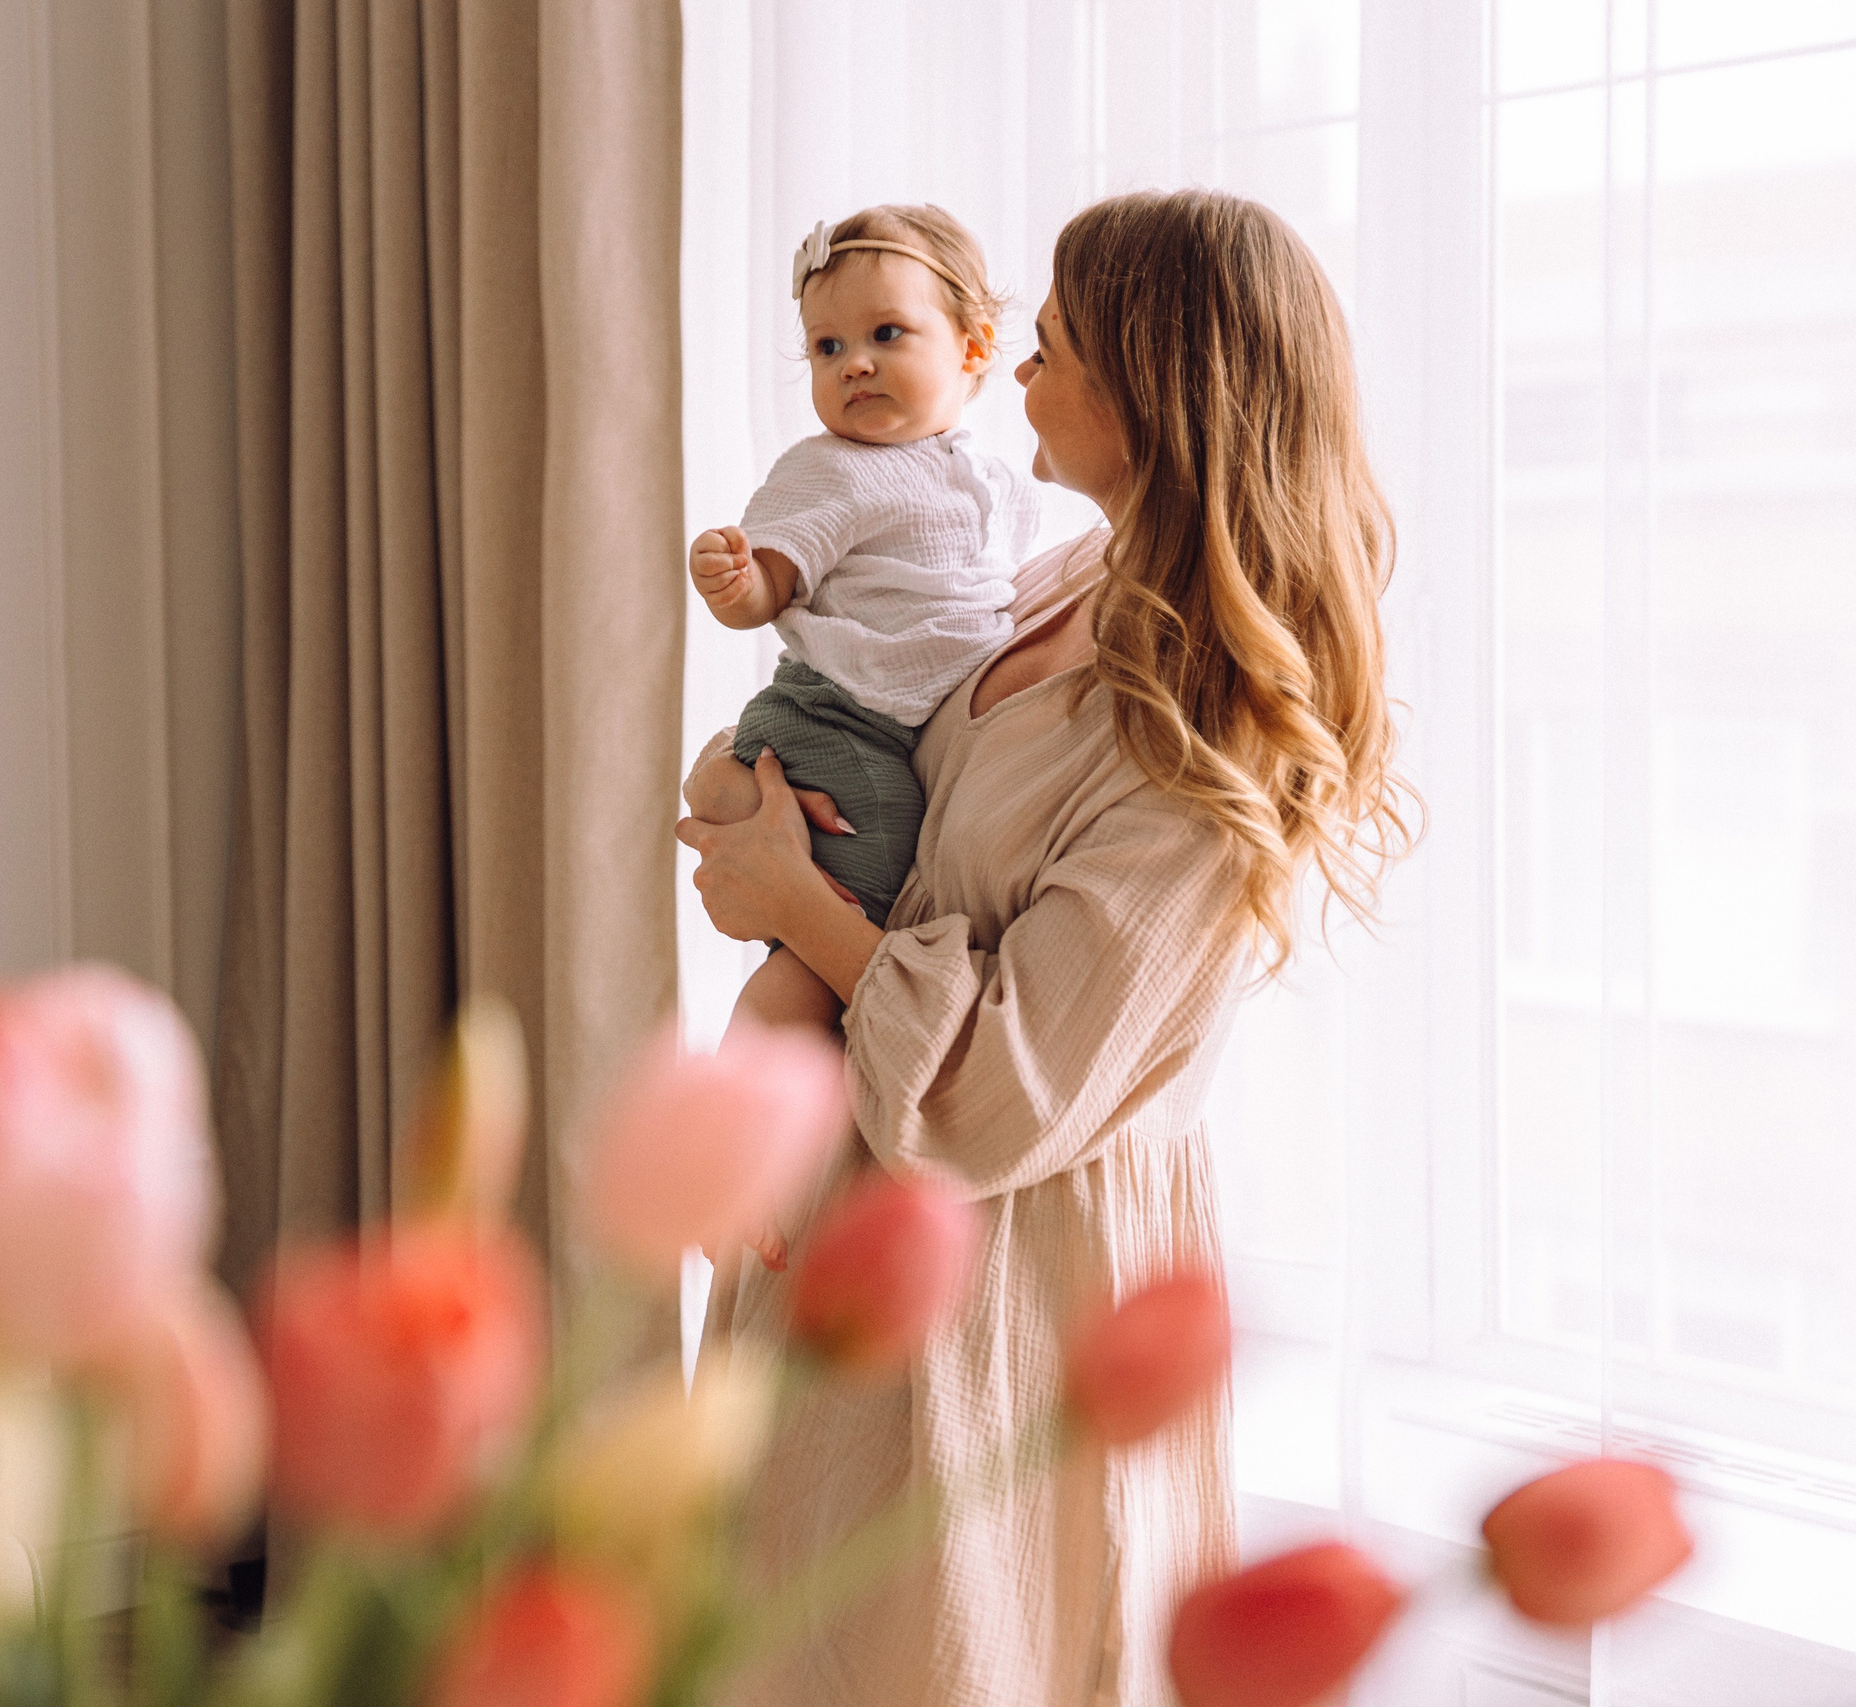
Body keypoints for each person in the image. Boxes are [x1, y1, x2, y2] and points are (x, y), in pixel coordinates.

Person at [675, 188, 1414, 1707]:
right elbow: (901, 801)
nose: (1017, 373)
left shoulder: (1205, 717)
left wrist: (789, 899)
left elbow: (1000, 1090)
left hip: (999, 1296)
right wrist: (765, 813)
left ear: (1155, 386)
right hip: (850, 1227)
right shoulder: (1064, 582)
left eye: (1056, 348)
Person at [687, 205, 1041, 1057]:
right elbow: (775, 579)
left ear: (974, 348)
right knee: (881, 869)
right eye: (827, 348)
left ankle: (742, 818)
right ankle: (759, 1057)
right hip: (834, 716)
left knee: (869, 880)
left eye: (886, 333)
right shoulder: (832, 469)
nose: (855, 366)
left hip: (887, 721)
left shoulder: (1000, 482)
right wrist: (738, 580)